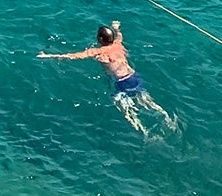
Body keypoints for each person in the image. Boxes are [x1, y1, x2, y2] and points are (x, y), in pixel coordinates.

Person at [39, 20, 175, 137]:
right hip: (133, 76)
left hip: (121, 82)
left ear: (100, 39)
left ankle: (143, 131)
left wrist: (47, 56)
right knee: (147, 101)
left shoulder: (98, 51)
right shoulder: (118, 45)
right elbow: (119, 36)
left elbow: (73, 56)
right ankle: (165, 116)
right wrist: (116, 27)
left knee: (126, 111)